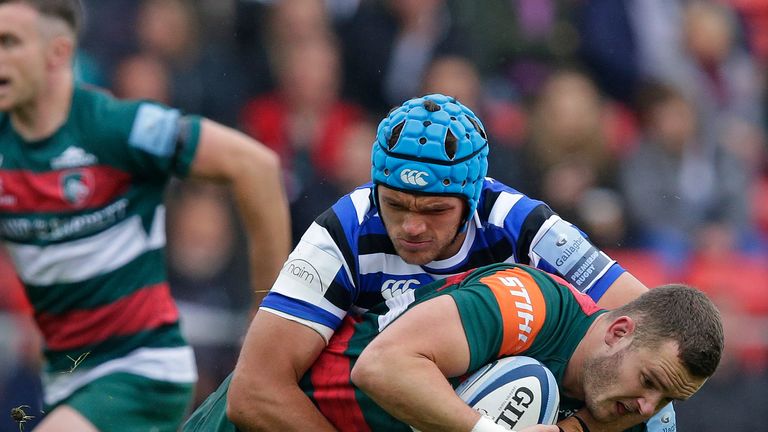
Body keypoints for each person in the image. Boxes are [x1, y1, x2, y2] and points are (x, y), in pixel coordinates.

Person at [226, 92, 679, 431]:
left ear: (473, 199)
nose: (411, 227)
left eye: (435, 210)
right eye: (396, 204)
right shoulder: (342, 231)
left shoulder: (519, 224)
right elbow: (254, 392)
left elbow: (653, 325)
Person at [0, 1, 291, 431]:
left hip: (141, 374)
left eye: (9, 43)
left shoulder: (117, 127)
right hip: (66, 382)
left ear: (57, 53)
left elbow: (257, 168)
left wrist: (268, 314)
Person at [185, 262, 724, 431]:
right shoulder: (530, 305)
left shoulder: (641, 414)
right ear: (619, 331)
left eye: (671, 400)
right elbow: (380, 368)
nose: (648, 406)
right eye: (650, 382)